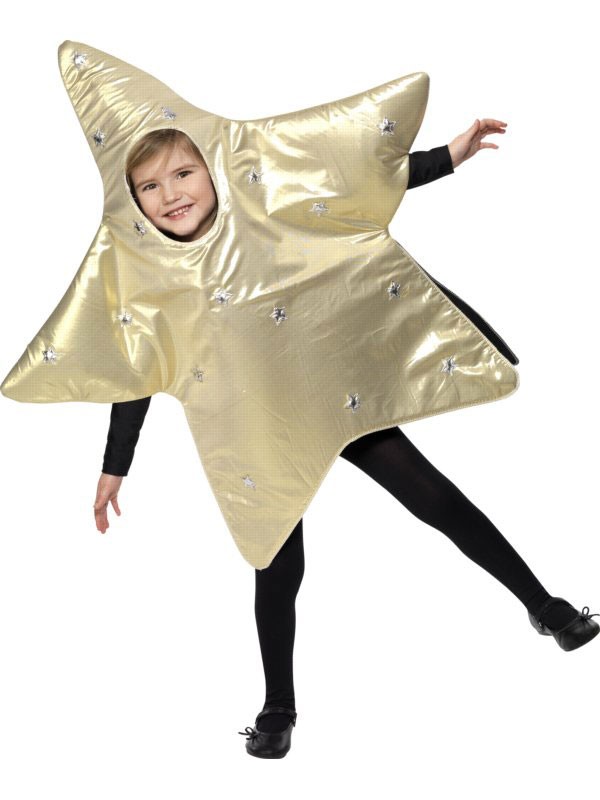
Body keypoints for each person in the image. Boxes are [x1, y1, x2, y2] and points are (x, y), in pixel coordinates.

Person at [93, 122, 599, 760]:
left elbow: (353, 190)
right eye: (150, 187)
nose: (170, 194)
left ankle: (545, 606)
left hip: (331, 394)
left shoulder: (264, 210)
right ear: (135, 203)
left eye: (183, 174)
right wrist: (115, 467)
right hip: (258, 430)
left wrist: (447, 158)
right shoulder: (151, 279)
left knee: (435, 499)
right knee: (278, 565)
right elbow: (139, 373)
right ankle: (278, 705)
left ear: (213, 173)